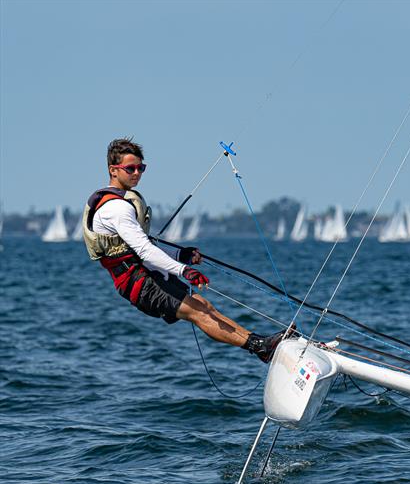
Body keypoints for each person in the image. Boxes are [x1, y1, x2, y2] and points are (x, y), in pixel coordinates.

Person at [83, 138, 287, 362]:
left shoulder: (123, 201)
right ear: (113, 170)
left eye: (141, 168)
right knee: (198, 313)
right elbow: (144, 250)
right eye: (130, 168)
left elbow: (145, 247)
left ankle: (262, 344)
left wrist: (182, 255)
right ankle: (261, 347)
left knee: (203, 305)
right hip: (139, 284)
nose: (137, 173)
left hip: (149, 275)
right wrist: (183, 270)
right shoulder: (116, 208)